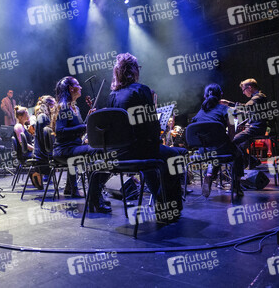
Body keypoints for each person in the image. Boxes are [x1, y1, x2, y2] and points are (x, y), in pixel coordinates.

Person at [107, 53, 183, 219]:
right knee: (174, 156)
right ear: (134, 70)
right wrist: (157, 140)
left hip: (118, 155)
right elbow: (152, 126)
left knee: (151, 157)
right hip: (139, 150)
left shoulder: (112, 97)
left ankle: (160, 203)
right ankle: (168, 208)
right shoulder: (141, 90)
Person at [52, 76, 111, 212]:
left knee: (102, 152)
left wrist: (87, 120)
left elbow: (76, 129)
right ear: (71, 88)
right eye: (78, 85)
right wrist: (85, 126)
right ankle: (95, 197)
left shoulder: (75, 108)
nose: (81, 87)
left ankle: (94, 195)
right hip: (64, 150)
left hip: (73, 147)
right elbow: (60, 131)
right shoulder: (64, 107)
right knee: (97, 152)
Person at [191, 83, 244, 197]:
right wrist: (229, 142)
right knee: (238, 154)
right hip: (220, 147)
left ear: (205, 96)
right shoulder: (225, 109)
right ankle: (236, 186)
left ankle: (209, 175)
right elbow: (231, 130)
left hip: (203, 151)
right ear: (220, 95)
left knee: (215, 155)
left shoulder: (201, 111)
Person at [221, 78, 268, 168]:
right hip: (253, 127)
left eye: (243, 90)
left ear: (249, 88)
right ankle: (252, 161)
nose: (243, 93)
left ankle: (248, 162)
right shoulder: (257, 98)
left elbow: (245, 108)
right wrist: (228, 103)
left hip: (256, 128)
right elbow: (245, 106)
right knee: (241, 146)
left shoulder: (259, 97)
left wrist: (231, 110)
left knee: (233, 142)